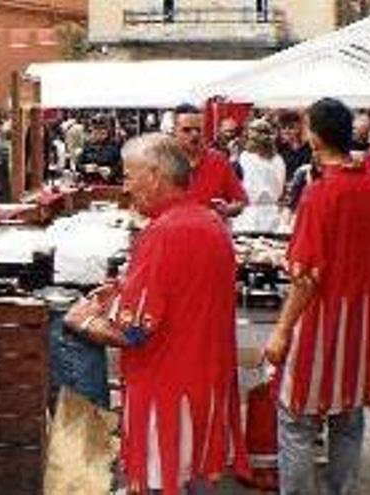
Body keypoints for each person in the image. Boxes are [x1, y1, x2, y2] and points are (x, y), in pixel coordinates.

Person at [65, 133, 248, 494]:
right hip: (204, 384)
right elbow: (184, 295)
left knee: (162, 480)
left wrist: (82, 321)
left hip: (166, 388)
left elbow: (134, 333)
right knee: (195, 480)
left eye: (130, 176)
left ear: (154, 175)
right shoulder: (211, 224)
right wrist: (121, 292)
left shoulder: (163, 233)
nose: (126, 186)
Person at [264, 98, 370, 495]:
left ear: (315, 136)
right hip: (365, 321)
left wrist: (282, 331)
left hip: (324, 321)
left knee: (297, 420)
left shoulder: (320, 194)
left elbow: (306, 277)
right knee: (348, 416)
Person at [172, 104, 248, 218]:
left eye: (198, 129)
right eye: (186, 130)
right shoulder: (164, 161)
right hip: (173, 232)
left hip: (211, 231)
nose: (194, 134)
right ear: (174, 131)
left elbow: (240, 201)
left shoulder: (218, 160)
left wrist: (225, 210)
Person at [232, 119, 287, 234]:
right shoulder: (279, 159)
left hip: (251, 215)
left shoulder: (245, 158)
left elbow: (236, 184)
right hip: (269, 212)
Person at [77, 115, 123, 185]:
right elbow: (78, 164)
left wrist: (111, 171)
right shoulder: (88, 146)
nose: (98, 133)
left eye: (102, 130)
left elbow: (121, 165)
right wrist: (85, 168)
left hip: (109, 185)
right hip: (89, 184)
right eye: (95, 130)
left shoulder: (115, 146)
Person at [277, 111, 313, 182]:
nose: (287, 131)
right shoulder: (280, 150)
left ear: (299, 128)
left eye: (291, 127)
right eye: (283, 128)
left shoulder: (309, 149)